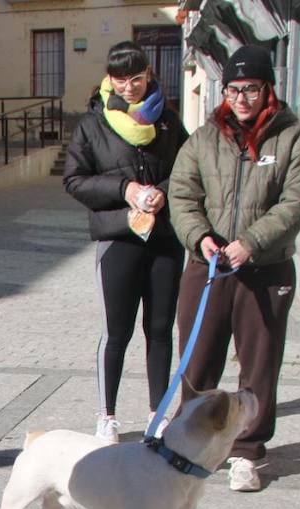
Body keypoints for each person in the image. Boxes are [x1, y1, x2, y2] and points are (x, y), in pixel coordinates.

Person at [168, 44, 300, 491]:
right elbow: (182, 194)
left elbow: (297, 201)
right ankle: (190, 439)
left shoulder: (295, 139)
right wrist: (201, 237)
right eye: (233, 89)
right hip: (208, 266)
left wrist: (251, 243)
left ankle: (247, 452)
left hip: (265, 269)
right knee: (198, 360)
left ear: (267, 88)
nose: (241, 99)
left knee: (258, 366)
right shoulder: (204, 138)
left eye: (250, 89)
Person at [63, 41, 188, 443]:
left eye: (136, 78)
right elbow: (74, 180)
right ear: (110, 80)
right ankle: (107, 415)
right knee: (116, 331)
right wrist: (126, 188)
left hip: (165, 238)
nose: (129, 87)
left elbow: (189, 169)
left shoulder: (168, 121)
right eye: (121, 80)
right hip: (118, 236)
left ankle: (158, 413)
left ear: (148, 74)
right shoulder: (92, 123)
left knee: (160, 329)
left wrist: (164, 190)